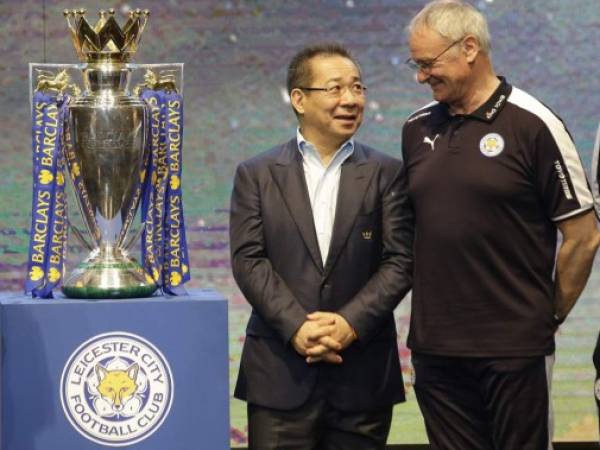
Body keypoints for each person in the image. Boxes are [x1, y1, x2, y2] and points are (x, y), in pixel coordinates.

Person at [401, 1, 600, 449]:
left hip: (515, 349)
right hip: (436, 350)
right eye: (416, 64)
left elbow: (583, 238)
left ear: (469, 48)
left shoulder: (535, 123)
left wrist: (547, 315)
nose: (420, 76)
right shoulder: (415, 129)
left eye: (428, 63)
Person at [230, 43, 413, 449]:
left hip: (362, 374)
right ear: (299, 99)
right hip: (280, 373)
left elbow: (401, 261)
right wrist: (297, 325)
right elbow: (249, 261)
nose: (350, 100)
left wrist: (349, 323)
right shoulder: (256, 174)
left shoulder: (387, 173)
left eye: (358, 88)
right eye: (335, 89)